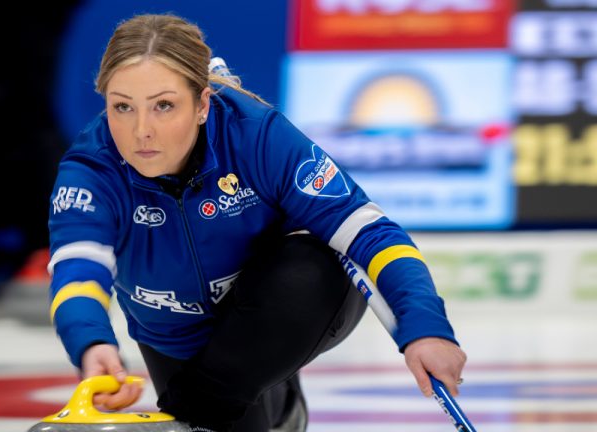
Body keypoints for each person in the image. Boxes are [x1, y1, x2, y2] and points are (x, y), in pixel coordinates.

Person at [47, 13, 467, 432]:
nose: (141, 131)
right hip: (174, 335)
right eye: (122, 107)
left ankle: (237, 398)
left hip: (280, 304)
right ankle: (280, 407)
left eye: (164, 106)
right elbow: (78, 269)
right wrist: (93, 344)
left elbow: (370, 232)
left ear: (202, 104)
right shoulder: (91, 168)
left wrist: (427, 328)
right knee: (228, 412)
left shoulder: (256, 135)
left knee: (311, 263)